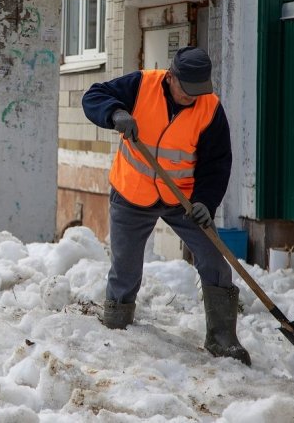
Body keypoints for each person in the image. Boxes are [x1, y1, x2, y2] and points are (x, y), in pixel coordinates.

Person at [82, 46, 250, 366]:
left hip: (182, 200)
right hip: (132, 194)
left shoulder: (210, 108)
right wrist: (116, 113)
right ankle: (117, 325)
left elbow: (216, 164)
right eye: (187, 91)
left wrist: (204, 202)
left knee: (214, 260)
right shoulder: (141, 85)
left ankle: (222, 337)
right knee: (126, 267)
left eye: (199, 92)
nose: (192, 98)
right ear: (171, 78)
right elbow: (93, 96)